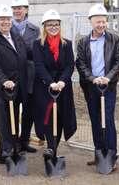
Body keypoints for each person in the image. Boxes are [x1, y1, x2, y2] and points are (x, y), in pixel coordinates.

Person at [75, 4, 119, 169]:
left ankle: (111, 156)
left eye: (103, 21)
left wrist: (108, 78)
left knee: (108, 119)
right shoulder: (82, 42)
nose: (101, 25)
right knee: (95, 120)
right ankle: (99, 154)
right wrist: (92, 78)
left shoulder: (114, 39)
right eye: (98, 22)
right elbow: (80, 63)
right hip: (91, 86)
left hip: (108, 87)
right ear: (91, 22)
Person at [0, 4, 29, 164]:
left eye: (8, 19)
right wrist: (4, 81)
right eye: (2, 19)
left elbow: (25, 57)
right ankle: (9, 149)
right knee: (3, 117)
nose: (5, 22)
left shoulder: (16, 37)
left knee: (13, 118)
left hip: (15, 86)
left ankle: (3, 154)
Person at [32, 9, 77, 156]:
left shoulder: (67, 44)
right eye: (50, 24)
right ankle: (51, 146)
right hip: (45, 87)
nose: (53, 27)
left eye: (56, 24)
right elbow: (38, 65)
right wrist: (50, 82)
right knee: (48, 116)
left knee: (61, 116)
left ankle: (53, 148)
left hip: (63, 87)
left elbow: (70, 65)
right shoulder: (37, 44)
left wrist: (63, 81)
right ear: (44, 26)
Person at [11, 0, 40, 153]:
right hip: (13, 77)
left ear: (26, 10)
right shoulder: (7, 27)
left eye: (20, 8)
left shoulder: (34, 30)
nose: (17, 11)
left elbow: (35, 53)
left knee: (28, 112)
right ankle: (14, 143)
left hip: (29, 77)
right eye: (14, 8)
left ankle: (24, 141)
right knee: (13, 111)